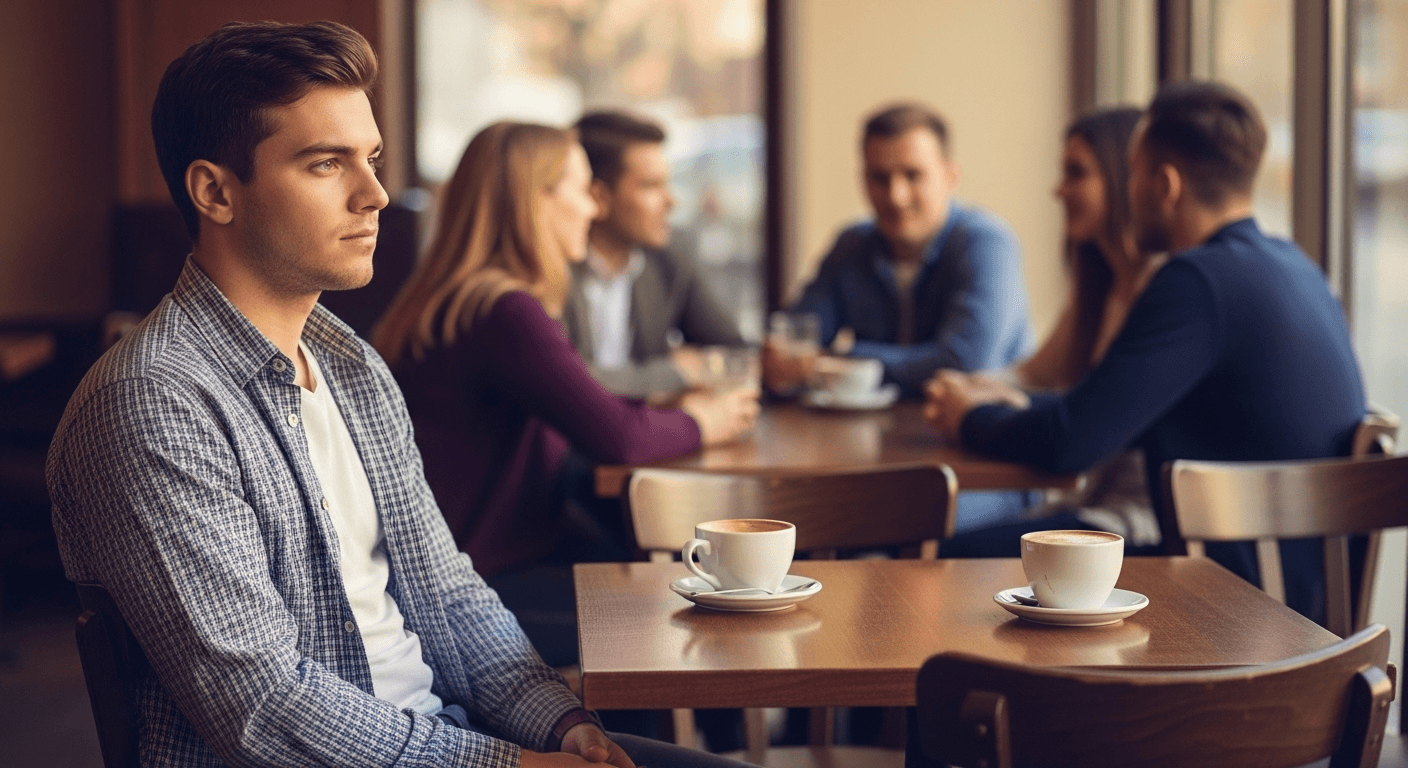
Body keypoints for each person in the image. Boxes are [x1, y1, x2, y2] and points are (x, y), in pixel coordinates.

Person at [47, 20, 746, 767]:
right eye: (326, 165)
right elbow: (262, 708)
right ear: (216, 191)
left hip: (454, 736)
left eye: (372, 159)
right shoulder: (153, 405)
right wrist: (513, 765)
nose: (375, 194)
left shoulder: (353, 367)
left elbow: (447, 592)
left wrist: (561, 726)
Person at [925, 80, 1366, 620]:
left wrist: (972, 418)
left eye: (1133, 174)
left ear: (1166, 185)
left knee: (935, 570)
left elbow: (1072, 442)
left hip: (1234, 610)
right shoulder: (1299, 268)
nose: (1128, 191)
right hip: (1307, 615)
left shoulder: (1196, 283)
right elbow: (1096, 410)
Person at [937, 107, 1166, 557]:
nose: (1058, 190)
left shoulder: (1160, 291)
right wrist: (963, 386)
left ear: (1123, 178)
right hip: (1085, 506)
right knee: (930, 549)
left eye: (1076, 173)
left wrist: (978, 408)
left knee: (941, 559)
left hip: (1132, 526)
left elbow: (1083, 420)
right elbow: (1034, 373)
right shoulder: (1099, 287)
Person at [768, 102, 1033, 399]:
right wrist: (784, 359)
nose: (896, 196)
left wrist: (840, 358)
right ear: (863, 180)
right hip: (874, 436)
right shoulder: (852, 245)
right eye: (880, 178)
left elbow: (963, 365)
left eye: (912, 175)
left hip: (981, 437)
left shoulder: (987, 244)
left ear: (950, 177)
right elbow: (797, 339)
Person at [564, 110, 745, 399]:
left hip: (654, 436)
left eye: (667, 183)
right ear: (599, 197)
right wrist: (676, 372)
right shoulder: (552, 268)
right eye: (650, 186)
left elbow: (734, 354)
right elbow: (568, 387)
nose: (671, 201)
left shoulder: (671, 256)